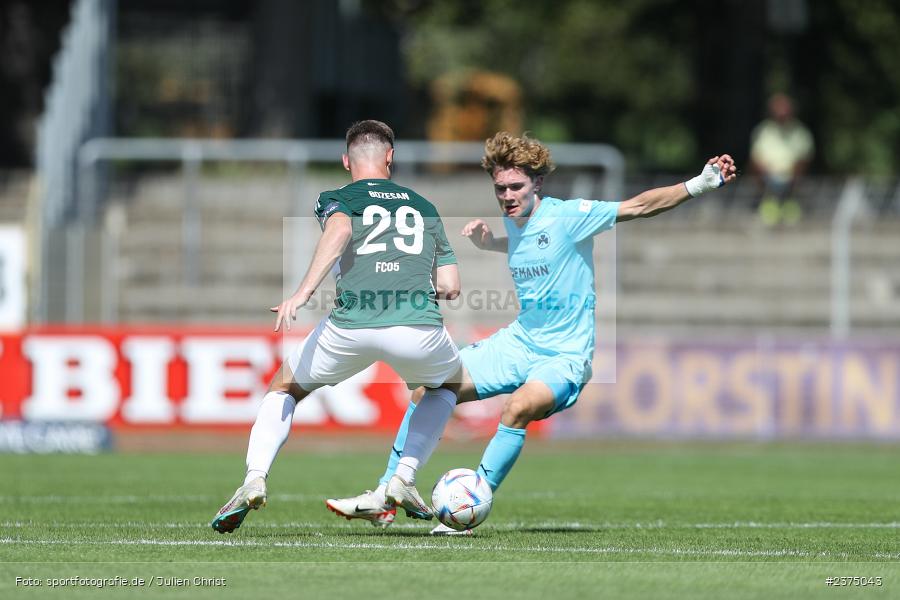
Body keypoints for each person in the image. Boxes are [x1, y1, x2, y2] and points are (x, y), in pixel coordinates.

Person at [325, 132, 737, 534]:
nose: (507, 196)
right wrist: (492, 245)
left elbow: (640, 206)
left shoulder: (569, 215)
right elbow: (533, 244)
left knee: (518, 407)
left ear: (537, 183)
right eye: (500, 188)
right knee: (430, 387)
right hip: (519, 342)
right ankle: (388, 492)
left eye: (516, 187)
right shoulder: (517, 222)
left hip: (565, 357)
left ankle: (474, 498)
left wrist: (700, 183)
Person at [211, 120, 464, 533]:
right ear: (390, 157)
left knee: (285, 389)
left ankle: (254, 478)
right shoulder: (425, 206)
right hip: (418, 327)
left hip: (351, 326)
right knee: (446, 387)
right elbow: (451, 286)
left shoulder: (336, 197)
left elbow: (341, 228)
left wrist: (303, 293)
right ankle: (403, 478)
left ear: (347, 160)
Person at [749, 93, 814, 226]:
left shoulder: (800, 132)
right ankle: (770, 203)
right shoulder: (763, 130)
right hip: (767, 180)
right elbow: (755, 158)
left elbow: (805, 158)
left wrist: (792, 176)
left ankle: (789, 204)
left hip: (793, 180)